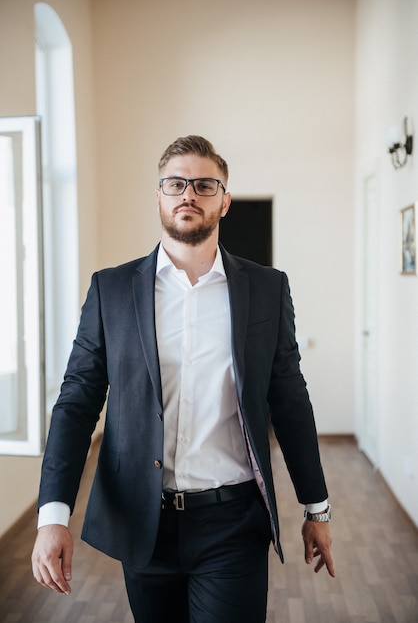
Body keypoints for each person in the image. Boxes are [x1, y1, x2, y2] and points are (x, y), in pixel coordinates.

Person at [32, 135, 335, 622]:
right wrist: (52, 516)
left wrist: (316, 509)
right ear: (158, 196)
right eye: (175, 184)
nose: (188, 194)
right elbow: (76, 403)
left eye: (204, 184)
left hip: (233, 522)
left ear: (225, 200)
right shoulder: (110, 290)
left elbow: (290, 400)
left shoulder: (266, 288)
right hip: (143, 521)